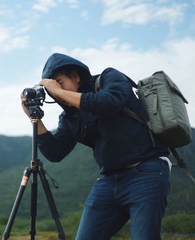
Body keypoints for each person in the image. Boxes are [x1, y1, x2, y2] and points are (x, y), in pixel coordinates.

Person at [21, 53, 171, 240]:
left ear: (75, 76)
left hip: (146, 170)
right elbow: (55, 152)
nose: (55, 92)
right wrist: (33, 118)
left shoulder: (109, 77)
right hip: (108, 180)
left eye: (59, 83)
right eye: (51, 89)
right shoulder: (69, 116)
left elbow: (110, 102)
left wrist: (59, 91)